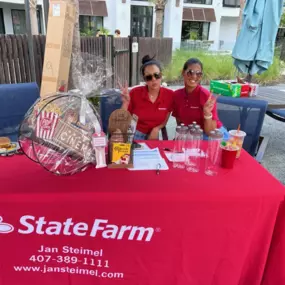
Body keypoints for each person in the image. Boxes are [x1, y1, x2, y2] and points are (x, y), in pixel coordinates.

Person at [120, 55, 174, 140]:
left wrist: (157, 128)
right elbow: (122, 119)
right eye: (149, 77)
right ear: (144, 79)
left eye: (156, 75)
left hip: (154, 134)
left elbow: (164, 121)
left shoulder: (170, 95)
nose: (153, 79)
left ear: (161, 75)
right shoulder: (135, 93)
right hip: (135, 133)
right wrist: (125, 103)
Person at [172, 58, 227, 138]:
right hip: (192, 134)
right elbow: (180, 124)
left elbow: (211, 132)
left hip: (214, 135)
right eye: (190, 72)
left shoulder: (206, 96)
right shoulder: (176, 95)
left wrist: (207, 113)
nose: (194, 76)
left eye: (198, 74)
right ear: (183, 73)